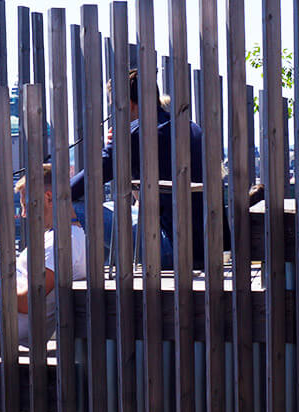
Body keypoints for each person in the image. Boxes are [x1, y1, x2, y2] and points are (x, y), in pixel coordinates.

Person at [68, 69, 205, 269]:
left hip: (170, 248)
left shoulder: (134, 135)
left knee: (72, 205)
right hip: (205, 247)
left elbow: (78, 186)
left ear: (129, 105)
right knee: (113, 205)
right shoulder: (191, 127)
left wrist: (116, 145)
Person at [0, 164, 86, 350]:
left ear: (48, 198)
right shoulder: (64, 238)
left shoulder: (63, 241)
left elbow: (28, 300)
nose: (24, 215)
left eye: (27, 206)